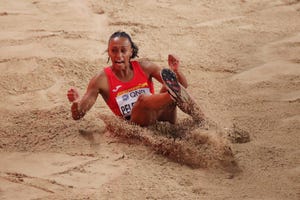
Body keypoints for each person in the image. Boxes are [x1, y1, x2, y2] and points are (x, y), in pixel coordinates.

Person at [67, 31, 193, 127]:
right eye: (114, 51)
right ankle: (171, 95)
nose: (119, 56)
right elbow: (78, 115)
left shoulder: (146, 67)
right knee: (143, 100)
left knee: (168, 86)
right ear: (108, 52)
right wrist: (76, 102)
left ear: (130, 52)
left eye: (123, 50)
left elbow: (183, 86)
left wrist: (177, 71)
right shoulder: (101, 79)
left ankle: (202, 120)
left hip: (162, 117)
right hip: (136, 125)